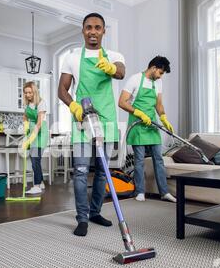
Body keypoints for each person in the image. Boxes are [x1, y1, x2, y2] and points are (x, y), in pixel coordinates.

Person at [58, 13, 126, 237]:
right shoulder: (72, 57)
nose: (93, 31)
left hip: (106, 120)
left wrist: (110, 68)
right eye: (89, 27)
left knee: (103, 173)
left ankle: (96, 212)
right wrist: (73, 106)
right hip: (82, 119)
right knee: (80, 171)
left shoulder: (114, 55)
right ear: (83, 30)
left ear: (104, 31)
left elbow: (121, 72)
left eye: (98, 27)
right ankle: (82, 218)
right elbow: (62, 90)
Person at [118, 56, 177, 203]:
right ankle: (140, 192)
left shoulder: (158, 82)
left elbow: (158, 104)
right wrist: (138, 113)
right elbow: (122, 102)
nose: (161, 76)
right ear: (153, 68)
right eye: (160, 72)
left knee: (159, 159)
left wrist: (163, 118)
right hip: (138, 123)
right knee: (139, 160)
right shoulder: (135, 79)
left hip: (152, 125)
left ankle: (164, 192)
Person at [22, 82, 48, 195]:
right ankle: (41, 182)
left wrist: (31, 138)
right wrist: (26, 130)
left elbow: (39, 124)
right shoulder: (27, 105)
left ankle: (36, 185)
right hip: (31, 132)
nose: (27, 95)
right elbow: (25, 118)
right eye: (26, 92)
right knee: (35, 159)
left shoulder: (41, 103)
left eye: (30, 92)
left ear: (34, 92)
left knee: (35, 159)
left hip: (40, 132)